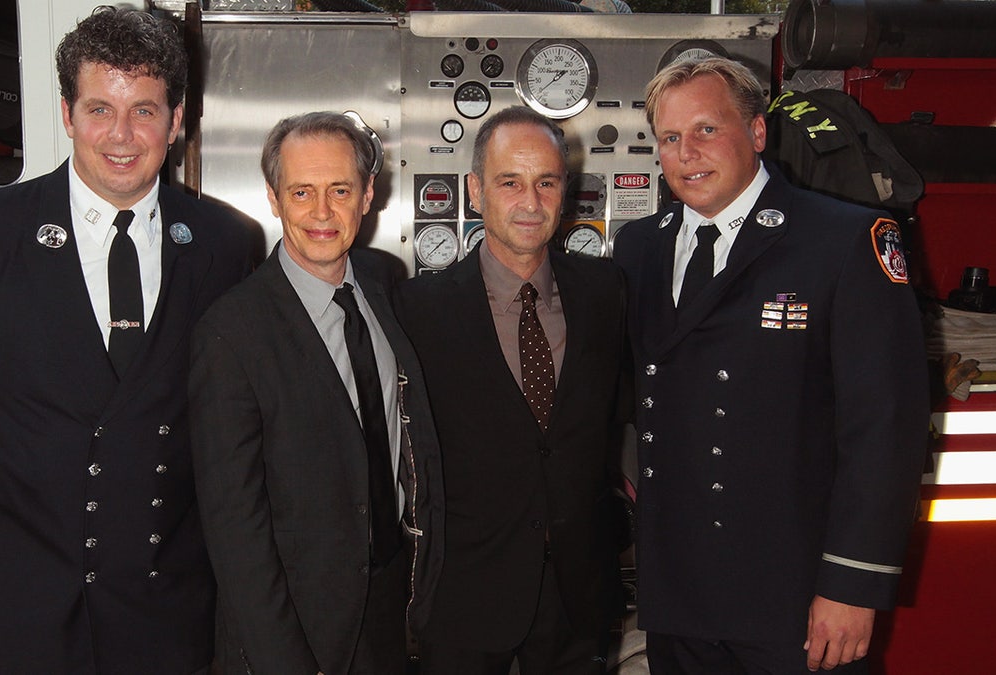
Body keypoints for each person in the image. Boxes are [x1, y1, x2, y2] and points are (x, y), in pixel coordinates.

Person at [0, 7, 252, 673]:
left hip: (165, 611)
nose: (121, 134)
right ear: (67, 114)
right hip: (22, 609)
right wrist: (16, 449)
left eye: (143, 109)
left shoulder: (226, 244)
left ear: (178, 117)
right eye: (99, 108)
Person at [612, 57, 929, 673]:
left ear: (757, 133)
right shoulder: (639, 247)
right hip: (679, 594)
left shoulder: (843, 241)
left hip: (797, 597)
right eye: (670, 138)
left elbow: (884, 428)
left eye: (707, 129)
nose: (687, 152)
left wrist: (852, 585)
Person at [188, 111, 444, 675]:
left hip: (390, 613)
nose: (322, 213)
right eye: (301, 192)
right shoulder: (231, 333)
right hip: (294, 630)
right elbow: (235, 531)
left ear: (368, 194)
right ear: (275, 199)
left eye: (340, 190)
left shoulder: (385, 284)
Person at [399, 106, 630, 675]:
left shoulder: (606, 294)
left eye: (546, 182)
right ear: (476, 191)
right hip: (463, 599)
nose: (530, 202)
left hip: (580, 598)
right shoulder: (416, 310)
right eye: (510, 182)